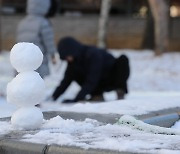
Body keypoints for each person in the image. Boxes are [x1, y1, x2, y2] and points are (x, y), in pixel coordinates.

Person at [51, 37, 130, 103]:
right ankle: (97, 95)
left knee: (123, 59)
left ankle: (120, 91)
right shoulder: (73, 63)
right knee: (74, 72)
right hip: (98, 82)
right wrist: (53, 97)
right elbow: (65, 81)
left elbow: (92, 78)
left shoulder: (93, 54)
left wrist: (77, 99)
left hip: (111, 78)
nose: (67, 59)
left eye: (68, 55)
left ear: (73, 50)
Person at [16, 0, 58, 78]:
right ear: (45, 6)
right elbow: (49, 41)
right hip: (37, 59)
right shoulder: (43, 23)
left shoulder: (22, 22)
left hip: (22, 59)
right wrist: (53, 55)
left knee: (23, 81)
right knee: (36, 82)